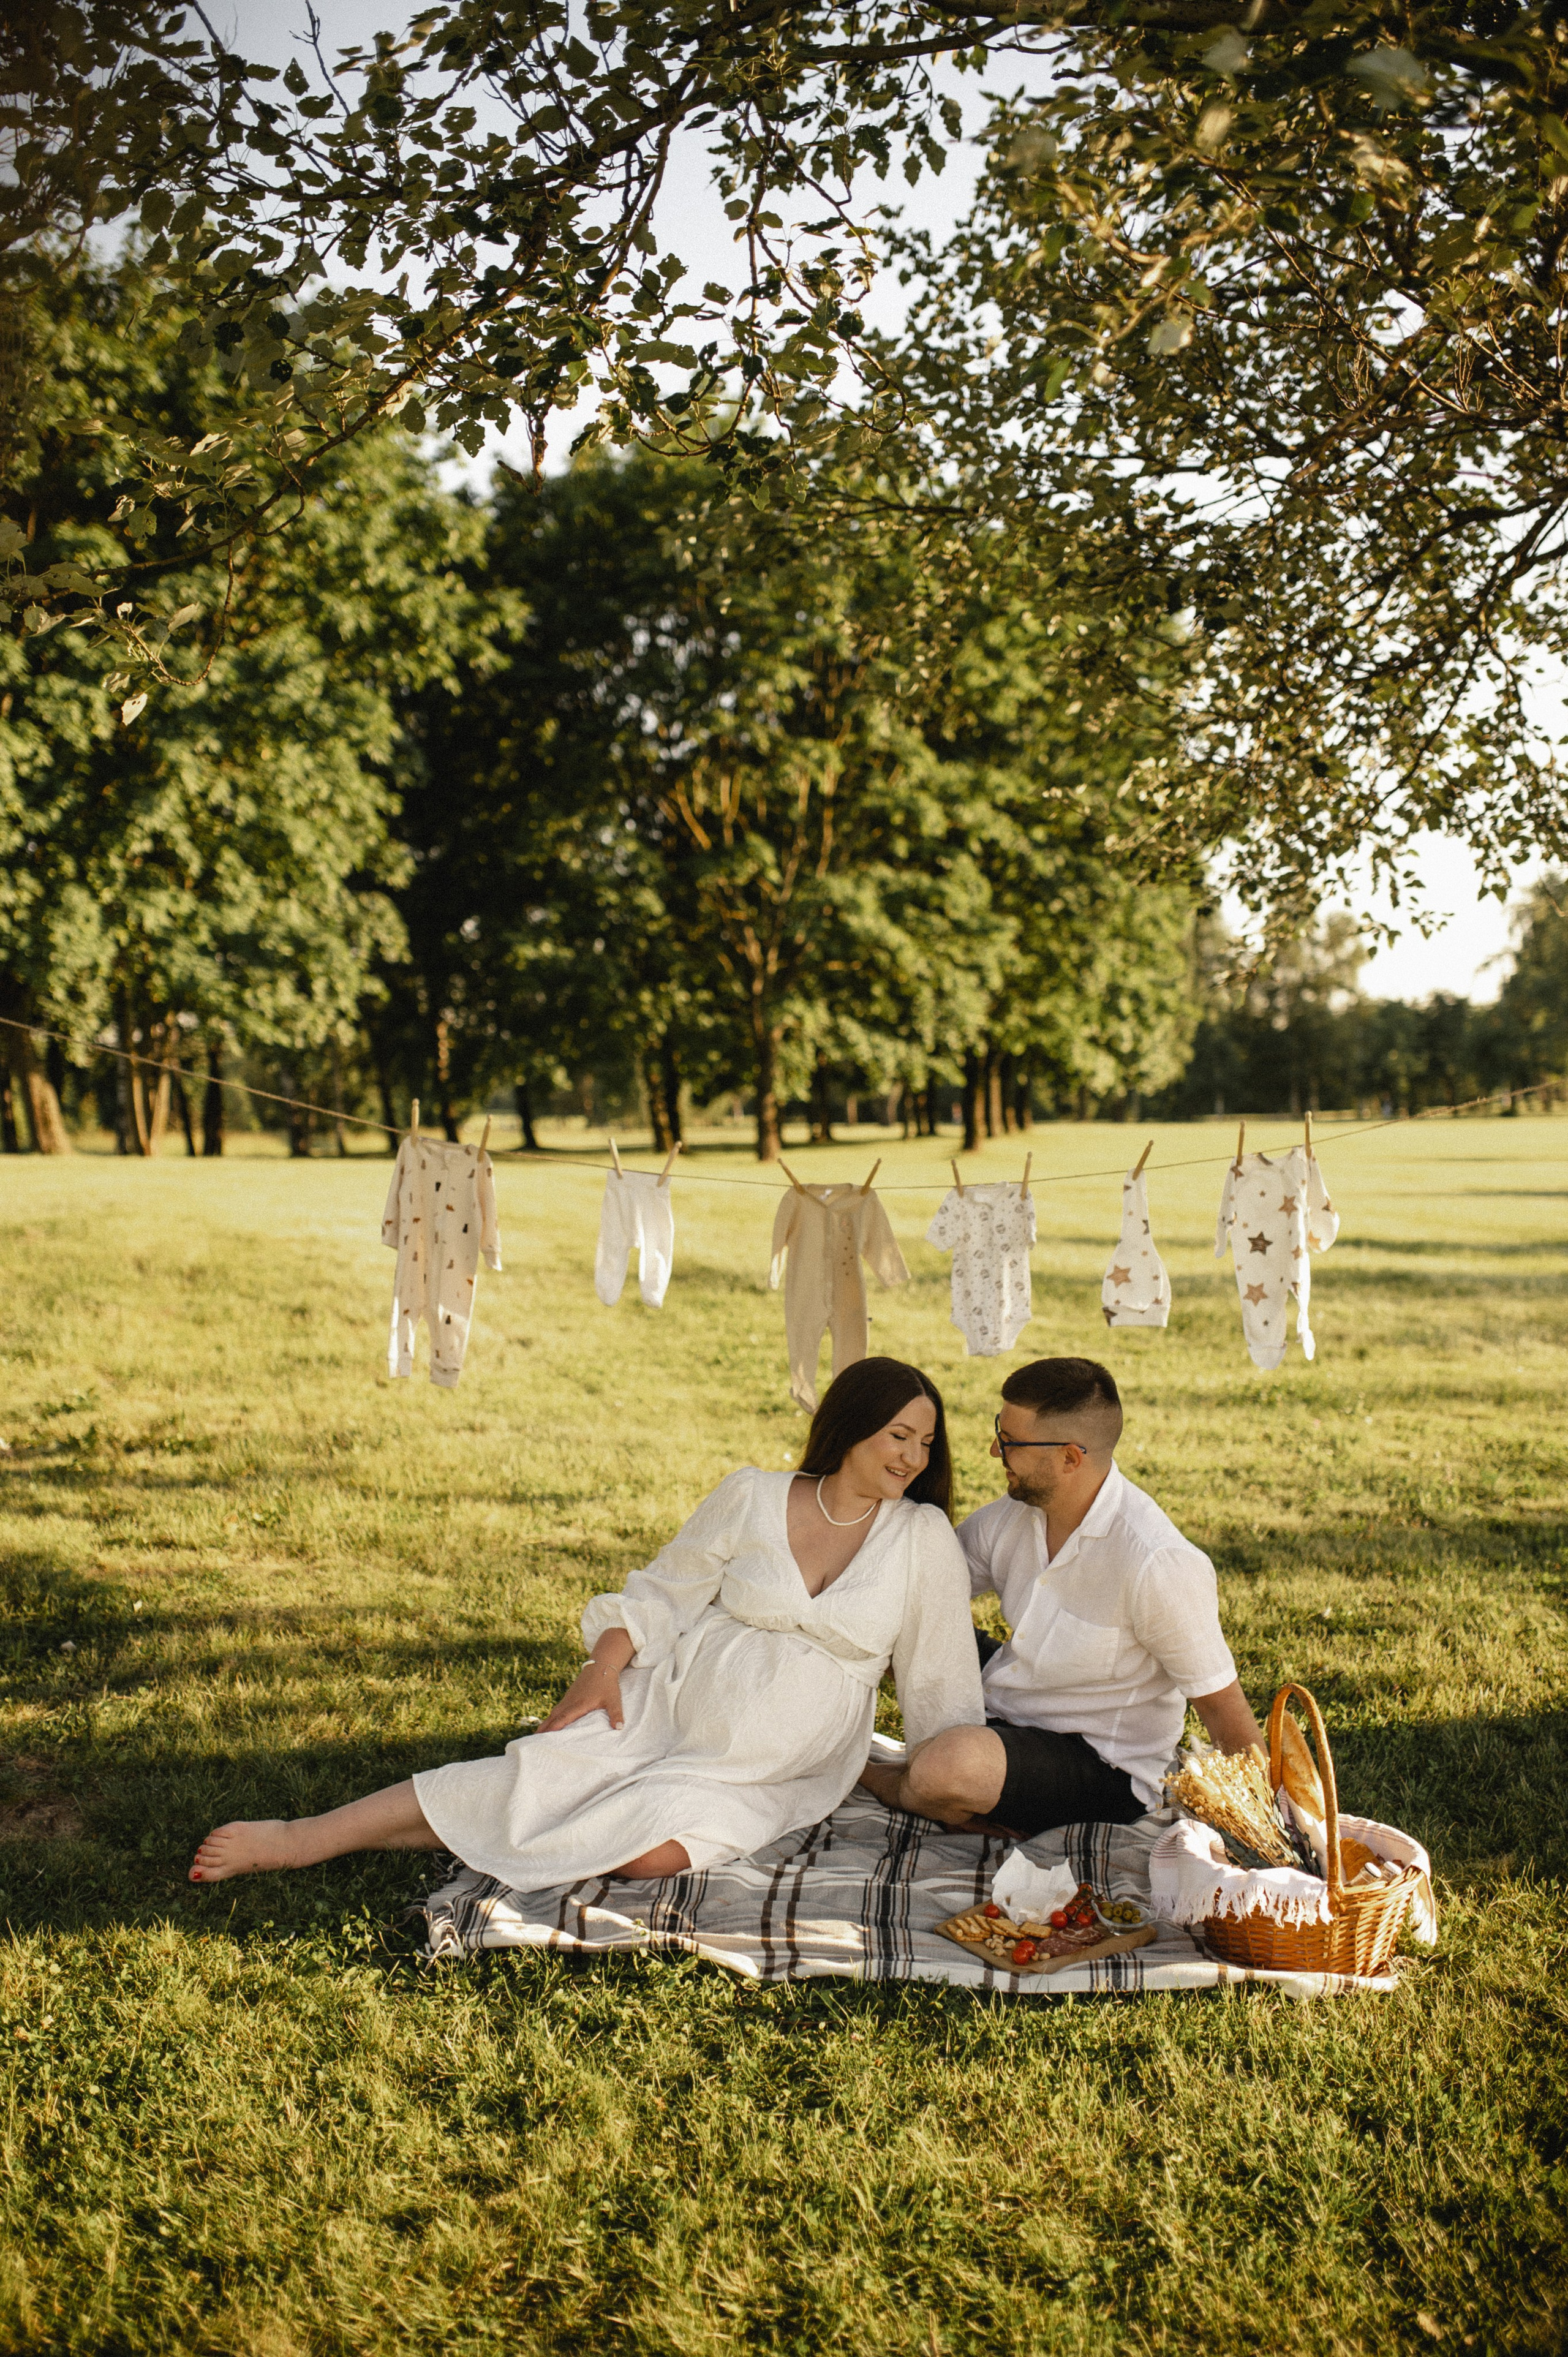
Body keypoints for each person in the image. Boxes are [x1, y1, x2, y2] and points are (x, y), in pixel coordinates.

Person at [189, 1357, 985, 1889]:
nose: (913, 1457)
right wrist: (604, 1668)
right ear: (852, 1427)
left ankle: (868, 1769)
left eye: (925, 1441)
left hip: (772, 1767)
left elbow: (941, 1677)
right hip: (667, 1703)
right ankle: (304, 1837)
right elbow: (664, 1592)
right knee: (535, 1778)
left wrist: (953, 1782)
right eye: (897, 1435)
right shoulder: (753, 1495)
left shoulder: (919, 1540)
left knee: (641, 1854)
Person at [858, 1356, 1262, 1838]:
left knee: (945, 1767)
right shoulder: (1010, 1518)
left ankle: (871, 1777)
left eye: (1010, 1443)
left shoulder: (1157, 1564)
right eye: (998, 1431)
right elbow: (914, 1591)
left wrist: (1283, 1834)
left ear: (1071, 1458)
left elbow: (1224, 1712)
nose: (993, 1451)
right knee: (895, 1626)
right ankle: (973, 1808)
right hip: (1008, 1708)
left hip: (1100, 1767)